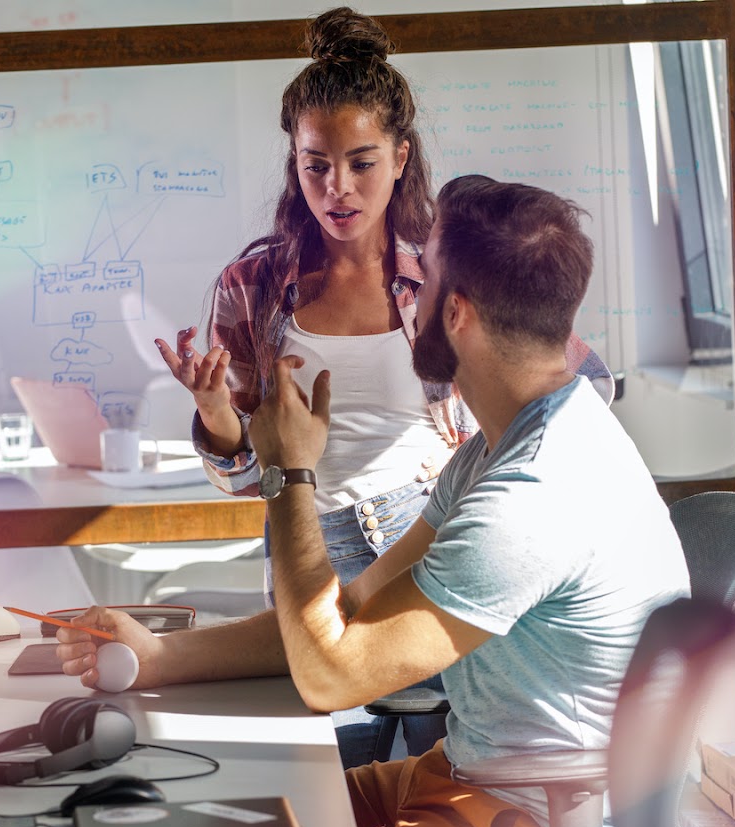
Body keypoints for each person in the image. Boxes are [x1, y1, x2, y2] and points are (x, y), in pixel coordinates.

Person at [57, 174, 689, 827]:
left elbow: (332, 674)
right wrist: (158, 657)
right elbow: (348, 608)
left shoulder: (534, 495)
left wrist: (289, 479)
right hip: (476, 783)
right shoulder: (505, 441)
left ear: (457, 313)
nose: (408, 300)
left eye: (421, 284)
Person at [154, 7, 612, 766]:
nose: (337, 187)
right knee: (320, 769)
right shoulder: (252, 287)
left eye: (362, 162)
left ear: (401, 157)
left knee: (449, 757)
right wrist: (215, 417)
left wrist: (484, 479)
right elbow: (245, 475)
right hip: (307, 537)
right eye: (316, 164)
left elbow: (576, 380)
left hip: (423, 524)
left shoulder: (447, 271)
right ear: (294, 161)